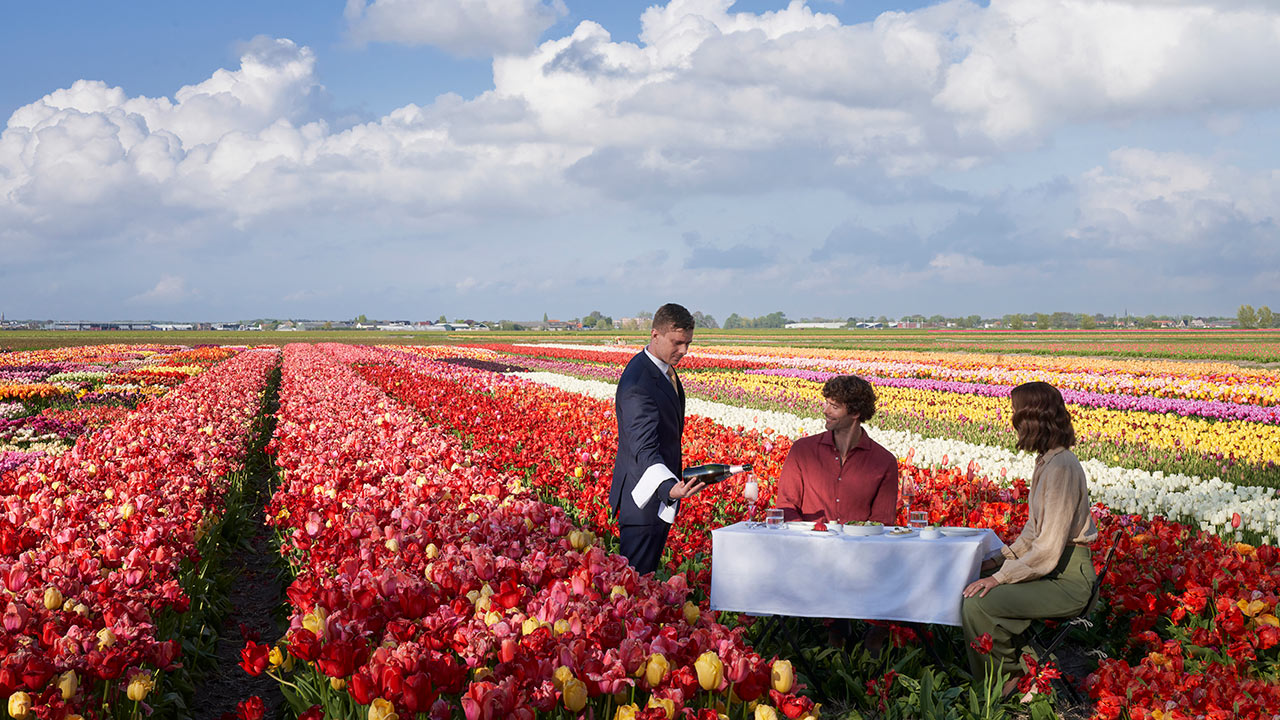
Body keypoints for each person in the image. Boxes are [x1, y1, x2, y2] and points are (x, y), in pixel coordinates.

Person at [961, 381, 1099, 697]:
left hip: (1068, 583)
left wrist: (1000, 578)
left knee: (978, 603)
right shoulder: (1048, 461)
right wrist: (998, 561)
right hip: (1052, 572)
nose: (1011, 420)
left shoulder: (1062, 466)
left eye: (1015, 413)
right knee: (973, 586)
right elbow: (1033, 534)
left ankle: (1006, 680)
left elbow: (1048, 547)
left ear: (1032, 418)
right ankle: (1015, 670)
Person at [609, 303, 709, 575]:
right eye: (677, 343)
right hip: (644, 500)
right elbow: (644, 445)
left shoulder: (660, 367)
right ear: (655, 335)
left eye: (688, 343)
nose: (684, 351)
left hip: (658, 499)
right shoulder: (639, 384)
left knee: (644, 583)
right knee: (634, 585)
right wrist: (668, 487)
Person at [775, 375, 898, 525]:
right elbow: (786, 505)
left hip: (858, 545)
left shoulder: (884, 462)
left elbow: (882, 521)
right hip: (807, 543)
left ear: (855, 413)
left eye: (834, 407)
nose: (825, 411)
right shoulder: (802, 451)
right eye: (826, 403)